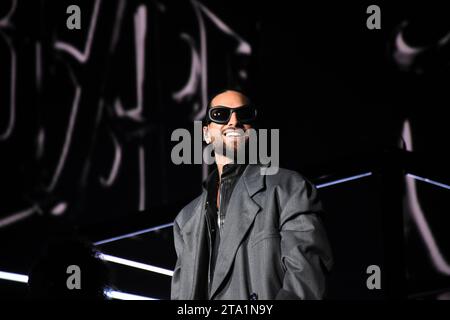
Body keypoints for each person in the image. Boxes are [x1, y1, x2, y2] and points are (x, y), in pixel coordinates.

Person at [171, 89, 333, 300]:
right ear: (206, 133)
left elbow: (305, 281)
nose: (234, 121)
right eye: (220, 114)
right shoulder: (185, 221)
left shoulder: (288, 188)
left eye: (244, 114)